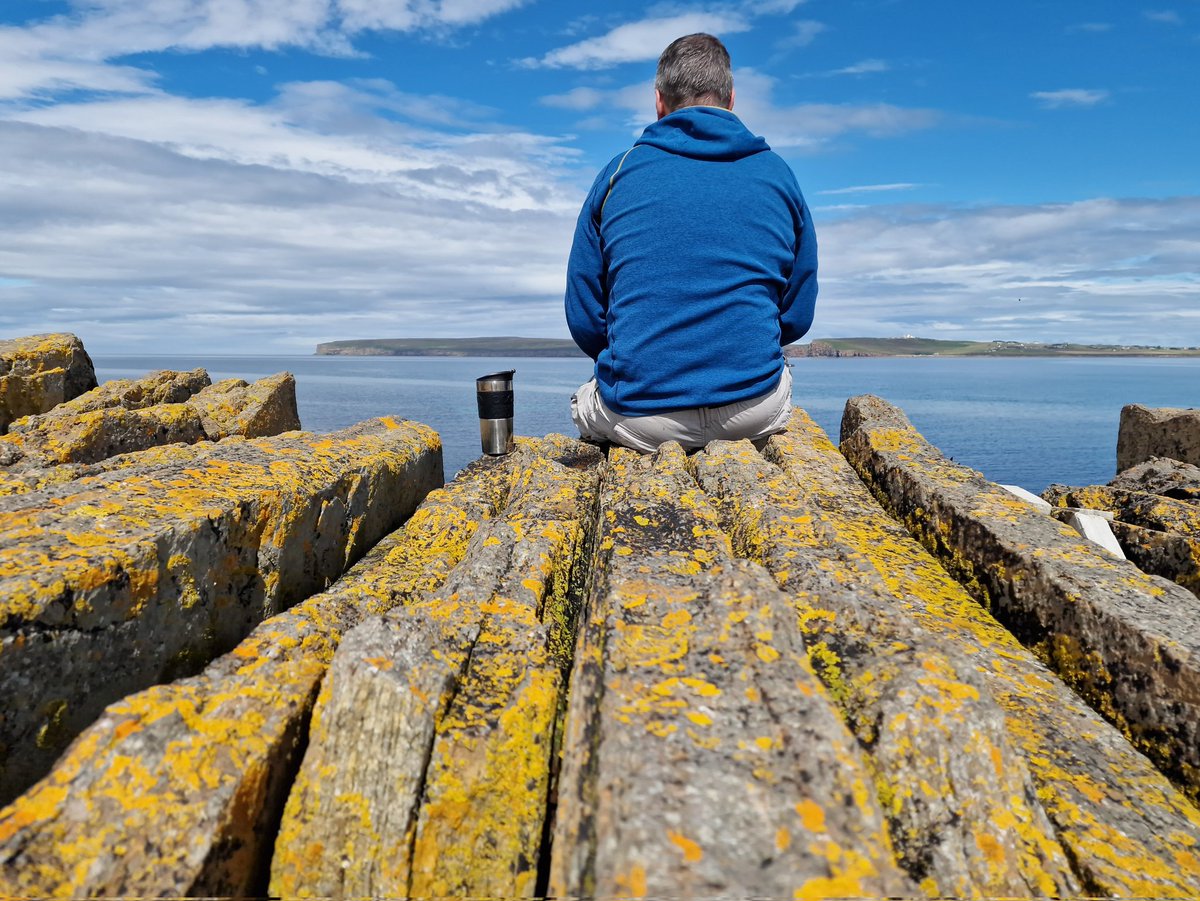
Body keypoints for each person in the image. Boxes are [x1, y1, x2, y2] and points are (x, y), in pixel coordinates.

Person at [565, 32, 818, 453]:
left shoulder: (617, 173)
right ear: (731, 98)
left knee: (583, 402)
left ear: (659, 101)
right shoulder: (779, 174)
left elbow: (584, 316)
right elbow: (797, 313)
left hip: (642, 417)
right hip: (752, 410)